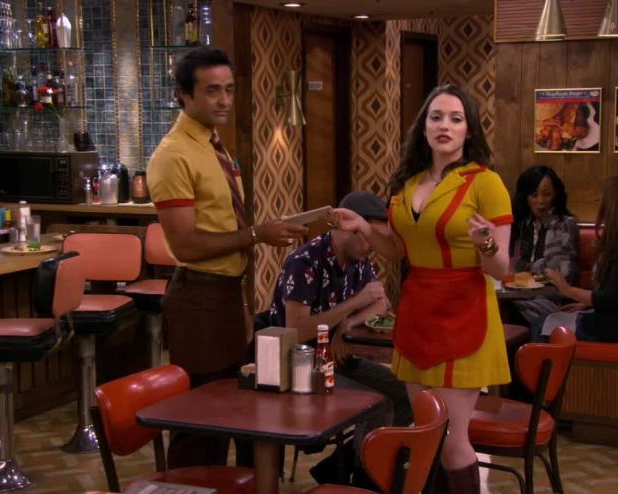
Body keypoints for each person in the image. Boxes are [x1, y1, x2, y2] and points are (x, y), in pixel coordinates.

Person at [332, 84, 513, 493]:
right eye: (436, 117)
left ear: (469, 130)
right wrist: (363, 228)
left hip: (464, 312)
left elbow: (501, 268)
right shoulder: (408, 184)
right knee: (426, 434)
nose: (444, 126)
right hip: (418, 313)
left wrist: (486, 243)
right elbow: (397, 251)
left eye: (455, 118)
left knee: (451, 441)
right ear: (424, 127)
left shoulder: (486, 183)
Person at [146, 46, 306, 468]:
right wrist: (256, 234)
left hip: (229, 296)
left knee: (238, 413)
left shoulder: (214, 146)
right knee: (201, 425)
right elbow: (186, 245)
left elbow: (224, 227)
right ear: (185, 94)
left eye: (229, 90)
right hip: (197, 299)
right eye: (212, 90)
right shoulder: (173, 155)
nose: (224, 100)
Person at [267, 191, 414, 486]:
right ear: (343, 229)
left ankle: (343, 466)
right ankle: (364, 482)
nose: (372, 246)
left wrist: (346, 325)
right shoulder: (305, 261)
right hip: (298, 366)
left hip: (337, 358)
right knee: (379, 405)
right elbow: (297, 329)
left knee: (408, 393)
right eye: (366, 237)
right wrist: (353, 304)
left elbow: (380, 303)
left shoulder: (359, 257)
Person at [540, 176, 618, 342]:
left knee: (543, 324)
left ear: (612, 207)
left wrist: (567, 289)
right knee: (552, 317)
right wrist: (586, 304)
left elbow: (611, 299)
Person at [508, 165, 579, 324]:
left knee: (510, 311)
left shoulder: (565, 225)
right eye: (534, 195)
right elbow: (510, 268)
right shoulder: (520, 224)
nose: (541, 201)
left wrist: (529, 269)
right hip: (517, 296)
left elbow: (566, 276)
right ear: (525, 197)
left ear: (555, 195)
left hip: (551, 299)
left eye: (547, 194)